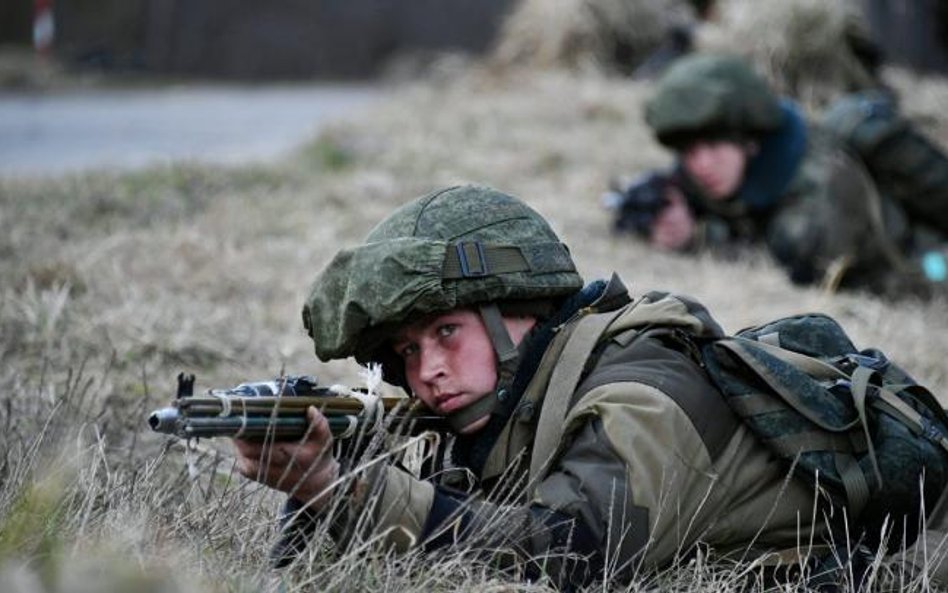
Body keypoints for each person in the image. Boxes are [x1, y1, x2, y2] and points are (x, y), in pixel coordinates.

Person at [230, 184, 947, 589]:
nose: (427, 370)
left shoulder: (640, 386)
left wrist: (352, 491)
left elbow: (577, 553)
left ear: (520, 310)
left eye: (446, 332)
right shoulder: (509, 402)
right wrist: (325, 473)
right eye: (407, 351)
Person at [611, 53, 948, 297]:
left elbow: (784, 262)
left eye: (713, 146)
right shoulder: (711, 179)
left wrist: (699, 237)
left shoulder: (825, 171)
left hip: (929, 270)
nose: (701, 165)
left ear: (750, 139)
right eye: (688, 152)